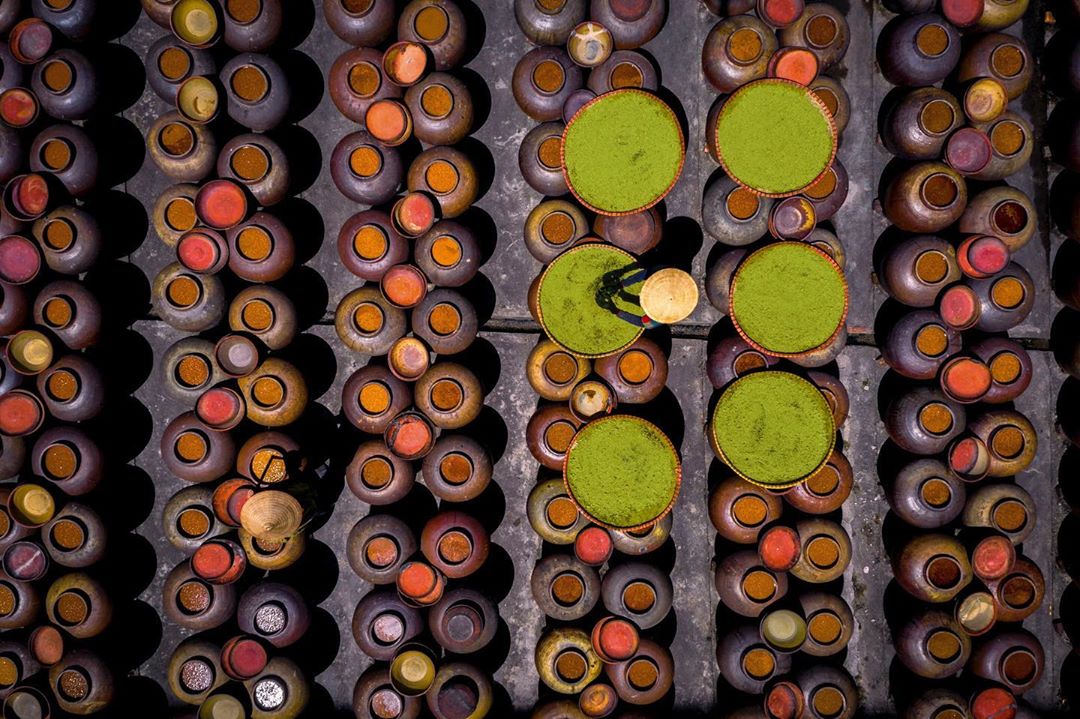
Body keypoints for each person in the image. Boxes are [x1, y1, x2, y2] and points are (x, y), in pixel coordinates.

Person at [596, 265, 698, 328]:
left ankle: (628, 298)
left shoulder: (662, 316)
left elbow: (642, 322)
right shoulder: (666, 274)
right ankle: (627, 296)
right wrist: (622, 284)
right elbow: (644, 274)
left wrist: (614, 309)